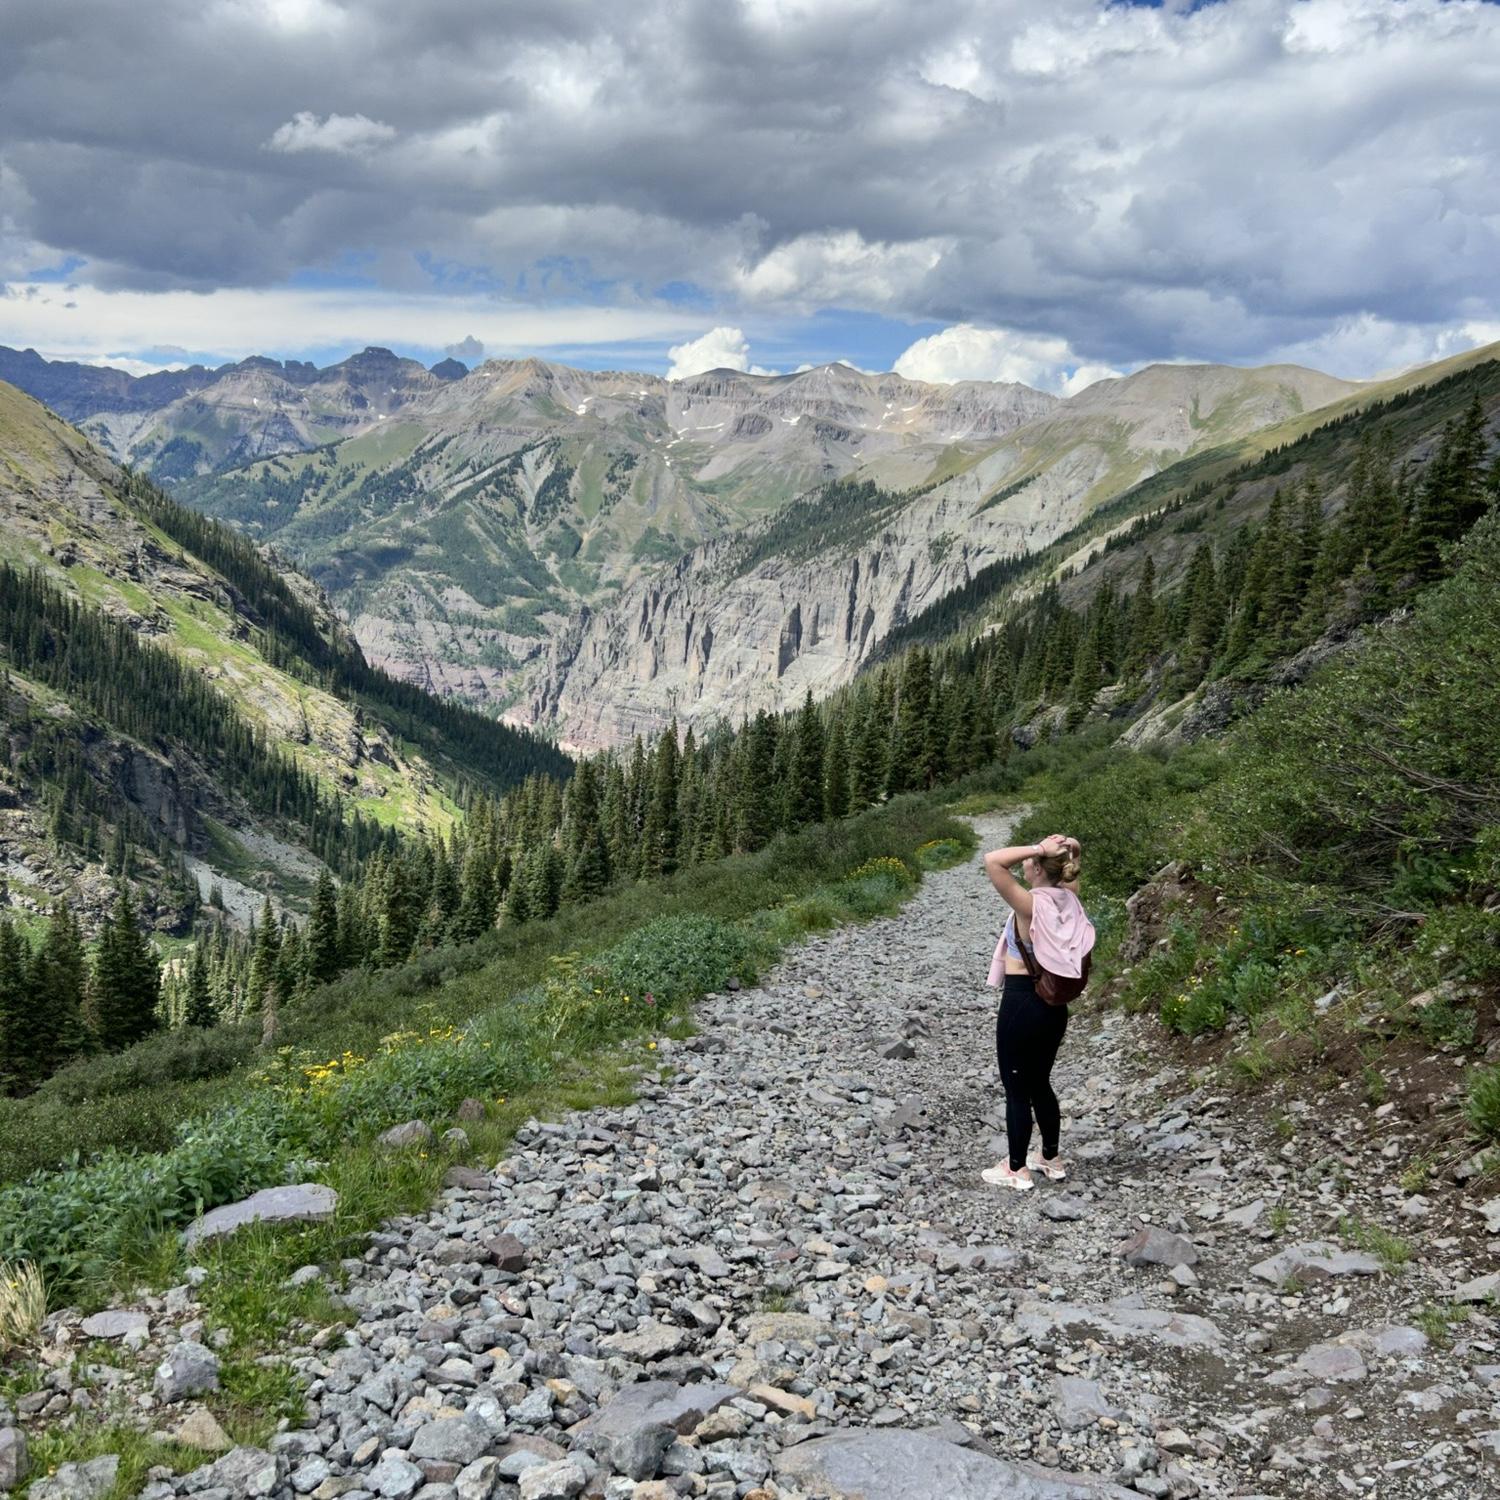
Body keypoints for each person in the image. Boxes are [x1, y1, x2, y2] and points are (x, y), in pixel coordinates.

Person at [979, 833, 1091, 1191]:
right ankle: (1050, 1158)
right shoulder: (1069, 900)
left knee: (1016, 1089)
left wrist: (1040, 848)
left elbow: (993, 860)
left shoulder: (1029, 904)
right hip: (1054, 1007)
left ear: (1038, 867)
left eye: (1031, 859)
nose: (1025, 861)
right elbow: (1070, 869)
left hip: (1022, 1000)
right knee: (1040, 1082)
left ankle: (1015, 1169)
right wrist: (1069, 847)